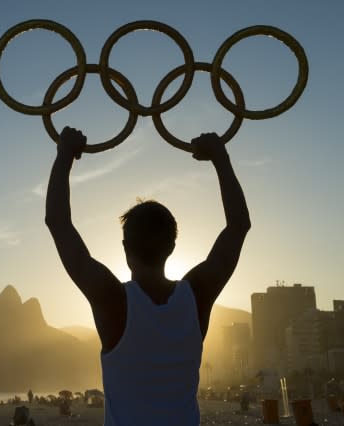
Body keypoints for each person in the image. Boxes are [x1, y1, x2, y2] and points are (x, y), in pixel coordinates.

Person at [45, 127, 250, 425]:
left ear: (126, 247)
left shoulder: (112, 300)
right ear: (172, 247)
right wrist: (220, 156)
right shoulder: (196, 295)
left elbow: (58, 222)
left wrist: (65, 153)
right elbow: (238, 225)